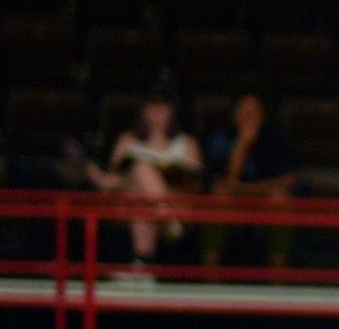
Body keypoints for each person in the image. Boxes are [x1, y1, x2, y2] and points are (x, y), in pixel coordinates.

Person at [85, 90, 202, 267]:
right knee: (141, 171)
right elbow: (114, 182)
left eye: (162, 106)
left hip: (175, 203)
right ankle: (165, 216)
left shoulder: (187, 144)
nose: (156, 111)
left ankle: (141, 265)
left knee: (142, 200)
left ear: (172, 110)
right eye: (152, 106)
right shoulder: (126, 140)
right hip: (129, 204)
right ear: (143, 110)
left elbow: (194, 184)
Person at [203, 93, 299, 269]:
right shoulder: (222, 138)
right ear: (234, 115)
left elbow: (288, 180)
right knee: (218, 198)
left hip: (264, 199)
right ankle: (210, 272)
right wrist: (242, 143)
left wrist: (244, 188)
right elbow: (222, 181)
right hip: (233, 200)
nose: (249, 117)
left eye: (253, 112)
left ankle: (278, 275)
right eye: (244, 111)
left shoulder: (275, 137)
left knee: (280, 199)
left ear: (262, 115)